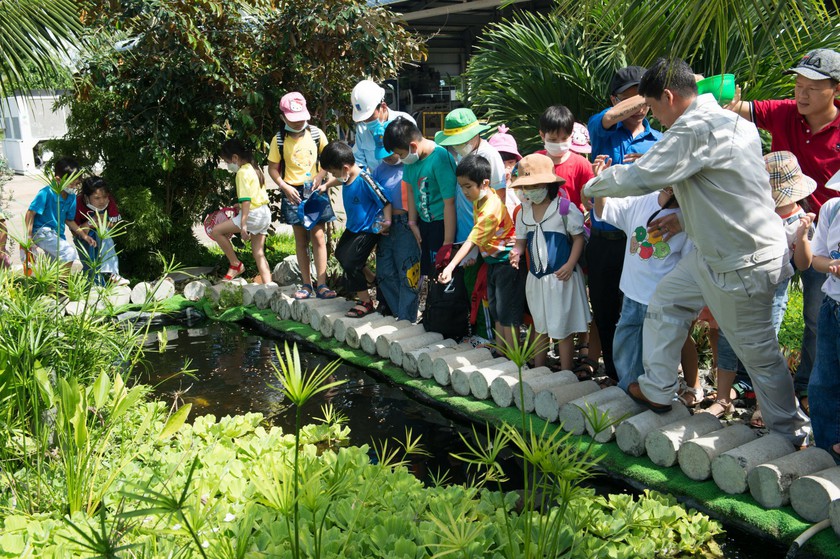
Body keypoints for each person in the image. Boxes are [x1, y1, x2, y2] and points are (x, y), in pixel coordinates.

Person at [582, 57, 810, 447]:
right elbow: (728, 193)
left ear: (668, 96)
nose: (655, 119)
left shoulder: (695, 128)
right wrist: (685, 220)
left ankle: (789, 434)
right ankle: (656, 387)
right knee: (666, 302)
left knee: (758, 355)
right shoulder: (729, 120)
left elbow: (645, 176)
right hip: (713, 253)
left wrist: (594, 186)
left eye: (652, 108)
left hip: (741, 261)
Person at [724, 49, 840, 411]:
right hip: (770, 231)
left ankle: (806, 386)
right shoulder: (786, 112)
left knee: (817, 316)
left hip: (821, 239)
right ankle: (749, 384)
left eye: (811, 87)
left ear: (835, 89)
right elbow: (737, 108)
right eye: (798, 85)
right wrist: (724, 103)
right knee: (756, 307)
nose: (800, 94)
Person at [702, 152, 816, 424]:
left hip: (773, 290)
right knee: (730, 338)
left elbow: (802, 263)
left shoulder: (800, 220)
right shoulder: (751, 211)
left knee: (766, 345)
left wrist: (802, 238)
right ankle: (723, 397)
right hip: (742, 284)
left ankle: (766, 403)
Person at [584, 66, 664, 383]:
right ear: (614, 100)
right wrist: (650, 93)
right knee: (605, 310)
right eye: (630, 98)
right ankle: (618, 376)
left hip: (643, 241)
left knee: (643, 311)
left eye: (645, 98)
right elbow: (608, 118)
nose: (640, 106)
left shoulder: (659, 140)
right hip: (605, 238)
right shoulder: (602, 129)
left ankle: (647, 376)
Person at [592, 180, 699, 400]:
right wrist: (601, 185)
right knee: (626, 343)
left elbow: (690, 264)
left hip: (661, 299)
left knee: (658, 351)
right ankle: (629, 388)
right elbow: (604, 211)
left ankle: (657, 393)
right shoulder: (641, 201)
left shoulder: (689, 216)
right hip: (632, 293)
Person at [510, 154, 590, 370]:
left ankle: (566, 372)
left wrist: (570, 264)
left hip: (560, 277)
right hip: (536, 279)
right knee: (540, 325)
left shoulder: (564, 209)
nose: (530, 190)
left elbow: (578, 238)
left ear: (548, 183)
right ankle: (540, 369)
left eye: (535, 185)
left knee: (562, 327)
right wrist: (516, 253)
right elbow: (520, 242)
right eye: (526, 187)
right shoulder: (523, 212)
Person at [438, 154, 525, 350]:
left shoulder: (490, 209)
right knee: (496, 308)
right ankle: (502, 351)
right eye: (461, 186)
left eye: (468, 186)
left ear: (484, 183)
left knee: (507, 312)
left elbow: (472, 239)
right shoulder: (482, 198)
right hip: (493, 262)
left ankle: (513, 358)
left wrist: (451, 266)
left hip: (507, 263)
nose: (464, 191)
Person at [266, 92, 335, 299]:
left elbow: (327, 160)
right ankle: (306, 284)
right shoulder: (279, 139)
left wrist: (321, 177)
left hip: (315, 191)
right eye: (293, 120)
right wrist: (284, 187)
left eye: (301, 119)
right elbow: (272, 169)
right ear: (283, 118)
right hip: (292, 192)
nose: (298, 124)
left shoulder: (316, 134)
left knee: (319, 237)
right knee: (301, 240)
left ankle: (321, 284)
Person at [320, 141, 391, 317]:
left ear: (345, 167)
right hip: (353, 228)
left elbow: (385, 200)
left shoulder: (365, 180)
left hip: (368, 230)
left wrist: (387, 221)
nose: (333, 175)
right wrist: (326, 185)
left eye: (334, 172)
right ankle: (370, 277)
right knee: (340, 254)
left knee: (351, 263)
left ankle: (366, 302)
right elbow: (339, 179)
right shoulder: (346, 176)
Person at [383, 117, 457, 278]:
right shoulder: (412, 161)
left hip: (443, 224)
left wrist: (447, 243)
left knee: (442, 272)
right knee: (430, 271)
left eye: (400, 154)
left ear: (413, 146)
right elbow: (410, 190)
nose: (401, 159)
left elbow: (449, 203)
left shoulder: (440, 158)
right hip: (424, 224)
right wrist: (412, 222)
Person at [435, 108, 508, 243]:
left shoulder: (489, 155)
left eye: (461, 141)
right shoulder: (462, 154)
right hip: (464, 230)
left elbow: (500, 195)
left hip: (483, 234)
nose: (457, 146)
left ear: (476, 134)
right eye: (454, 142)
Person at [808, 175, 840, 460]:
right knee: (824, 380)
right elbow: (815, 259)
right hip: (832, 306)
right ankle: (825, 449)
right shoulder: (831, 208)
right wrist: (832, 265)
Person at [370, 142, 421, 322]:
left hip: (406, 223)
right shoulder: (378, 171)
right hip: (386, 226)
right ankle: (401, 313)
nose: (388, 158)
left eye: (390, 153)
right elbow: (374, 198)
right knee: (384, 273)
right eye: (383, 155)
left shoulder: (410, 166)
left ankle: (407, 319)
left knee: (407, 272)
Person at [213, 139, 273, 284]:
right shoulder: (254, 168)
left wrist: (244, 224)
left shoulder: (241, 172)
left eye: (226, 161)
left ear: (235, 158)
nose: (227, 165)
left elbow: (246, 200)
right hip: (264, 213)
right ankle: (270, 287)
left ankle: (235, 264)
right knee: (259, 253)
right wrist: (239, 207)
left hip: (252, 215)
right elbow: (254, 197)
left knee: (216, 231)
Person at [26, 156, 92, 269]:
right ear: (58, 179)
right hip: (42, 232)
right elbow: (30, 213)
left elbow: (69, 220)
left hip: (57, 235)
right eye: (71, 184)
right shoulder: (46, 192)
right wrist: (28, 236)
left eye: (77, 184)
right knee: (69, 253)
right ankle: (64, 284)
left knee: (54, 267)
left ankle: (54, 286)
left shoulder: (71, 197)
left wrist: (84, 235)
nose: (74, 187)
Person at [535, 105, 593, 211]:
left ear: (571, 135)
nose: (559, 144)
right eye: (553, 139)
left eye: (564, 138)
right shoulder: (534, 161)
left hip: (570, 224)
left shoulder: (582, 165)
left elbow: (591, 198)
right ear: (542, 135)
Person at [73, 176, 129, 286]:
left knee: (104, 232)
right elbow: (75, 231)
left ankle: (111, 273)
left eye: (104, 197)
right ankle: (92, 282)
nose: (102, 201)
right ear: (86, 197)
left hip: (103, 236)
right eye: (97, 198)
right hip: (83, 237)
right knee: (90, 267)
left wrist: (102, 222)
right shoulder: (77, 203)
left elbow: (114, 224)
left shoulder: (109, 202)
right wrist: (91, 222)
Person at [350, 80, 416, 171]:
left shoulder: (404, 122)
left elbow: (415, 157)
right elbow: (359, 162)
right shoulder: (362, 129)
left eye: (370, 116)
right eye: (364, 119)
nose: (367, 121)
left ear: (383, 107)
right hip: (376, 181)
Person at [486, 124, 522, 216]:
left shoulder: (520, 185)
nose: (507, 167)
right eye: (501, 162)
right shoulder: (486, 184)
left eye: (511, 162)